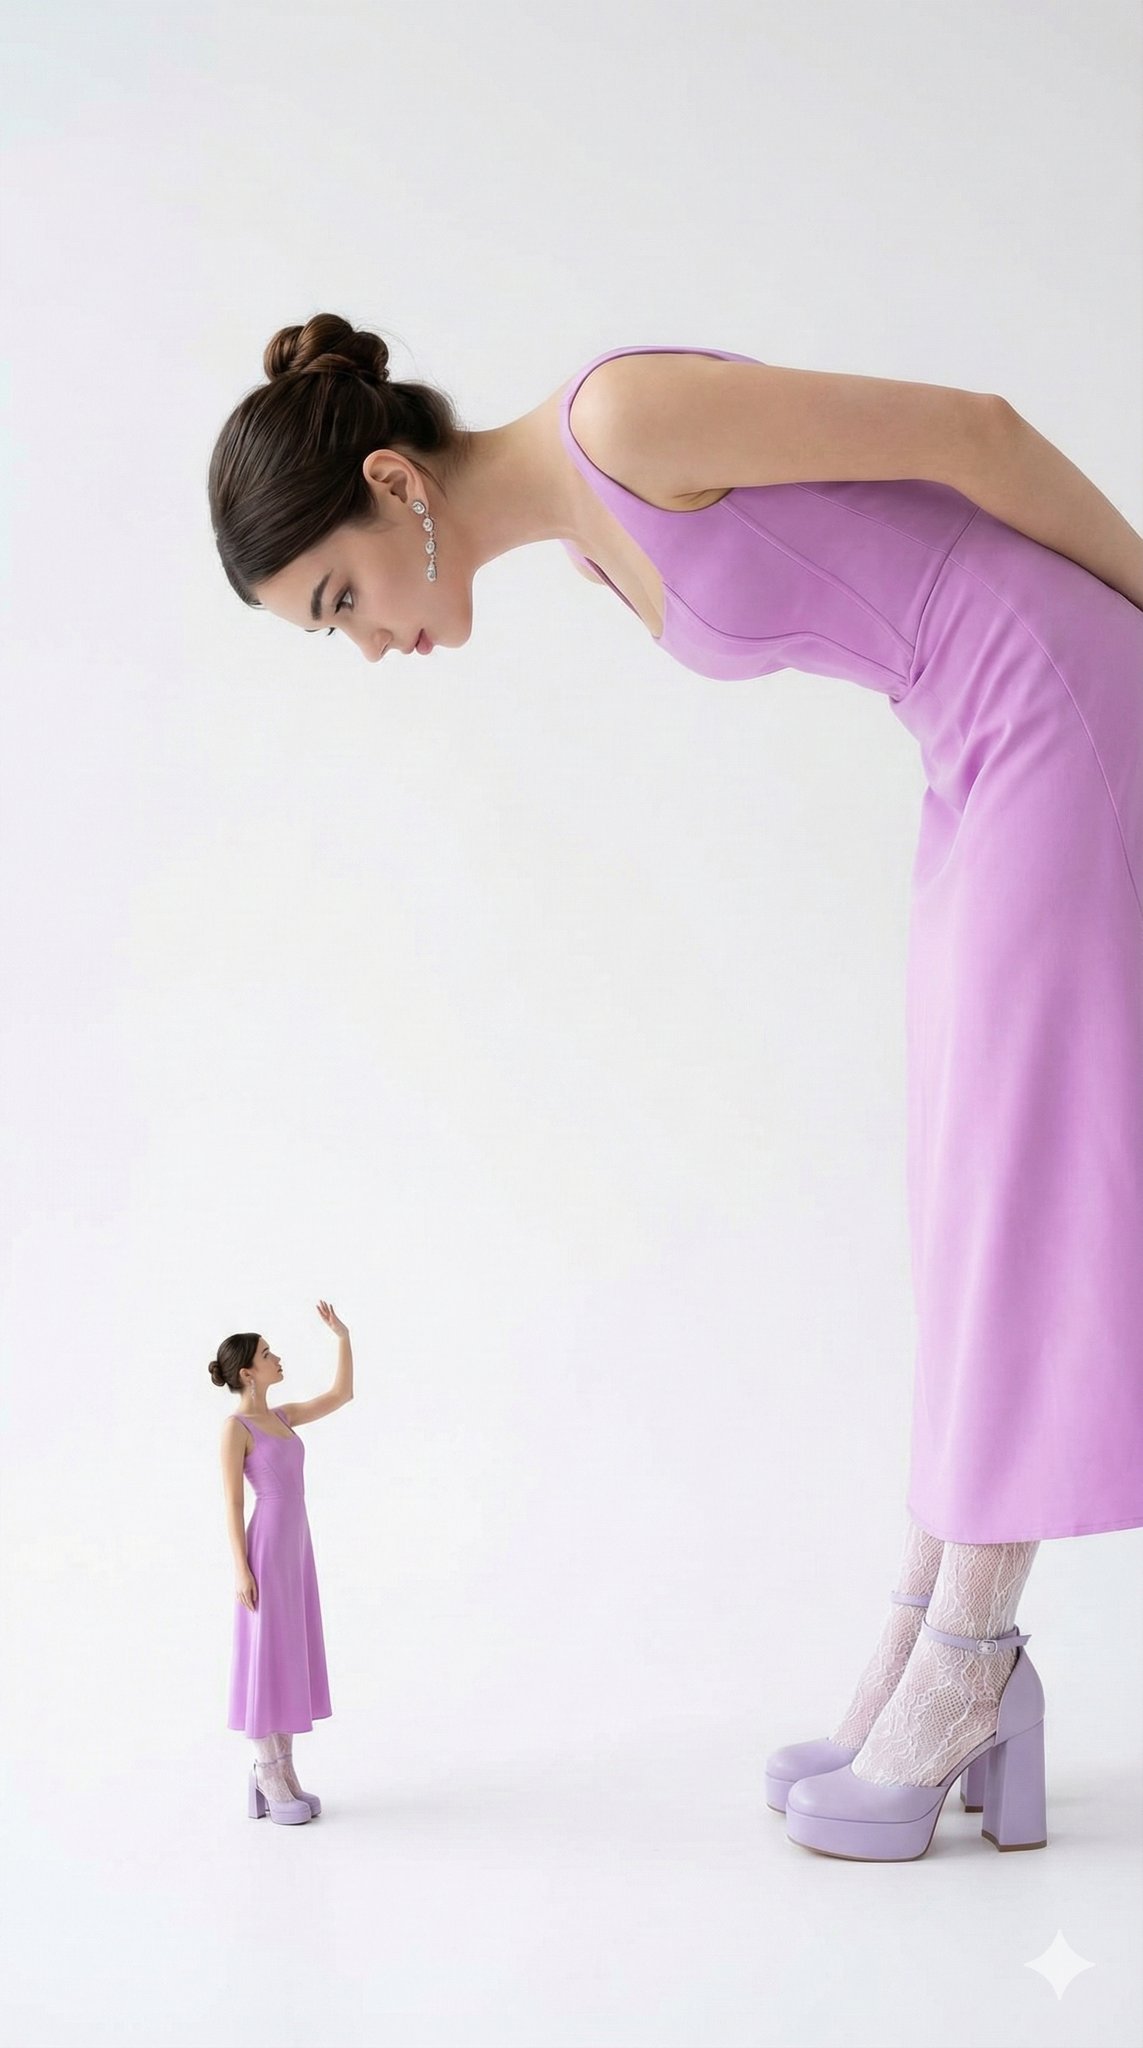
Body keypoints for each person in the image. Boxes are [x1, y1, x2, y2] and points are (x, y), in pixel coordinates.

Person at [207, 314, 1143, 1860]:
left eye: (340, 599)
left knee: (1013, 1178)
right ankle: (928, 1637)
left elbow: (969, 429)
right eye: (333, 631)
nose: (368, 644)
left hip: (1054, 705)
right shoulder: (589, 535)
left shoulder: (621, 421)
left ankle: (969, 1664)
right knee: (956, 1178)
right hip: (969, 746)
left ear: (392, 482)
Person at [211, 1298, 350, 1824]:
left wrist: (342, 1338)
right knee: (267, 1653)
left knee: (289, 1650)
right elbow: (231, 1501)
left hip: (296, 1546)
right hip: (266, 1544)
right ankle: (265, 1770)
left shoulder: (283, 1416)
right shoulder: (236, 1428)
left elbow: (341, 1394)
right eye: (267, 1354)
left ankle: (285, 1771)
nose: (277, 1359)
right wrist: (241, 1568)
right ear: (247, 1372)